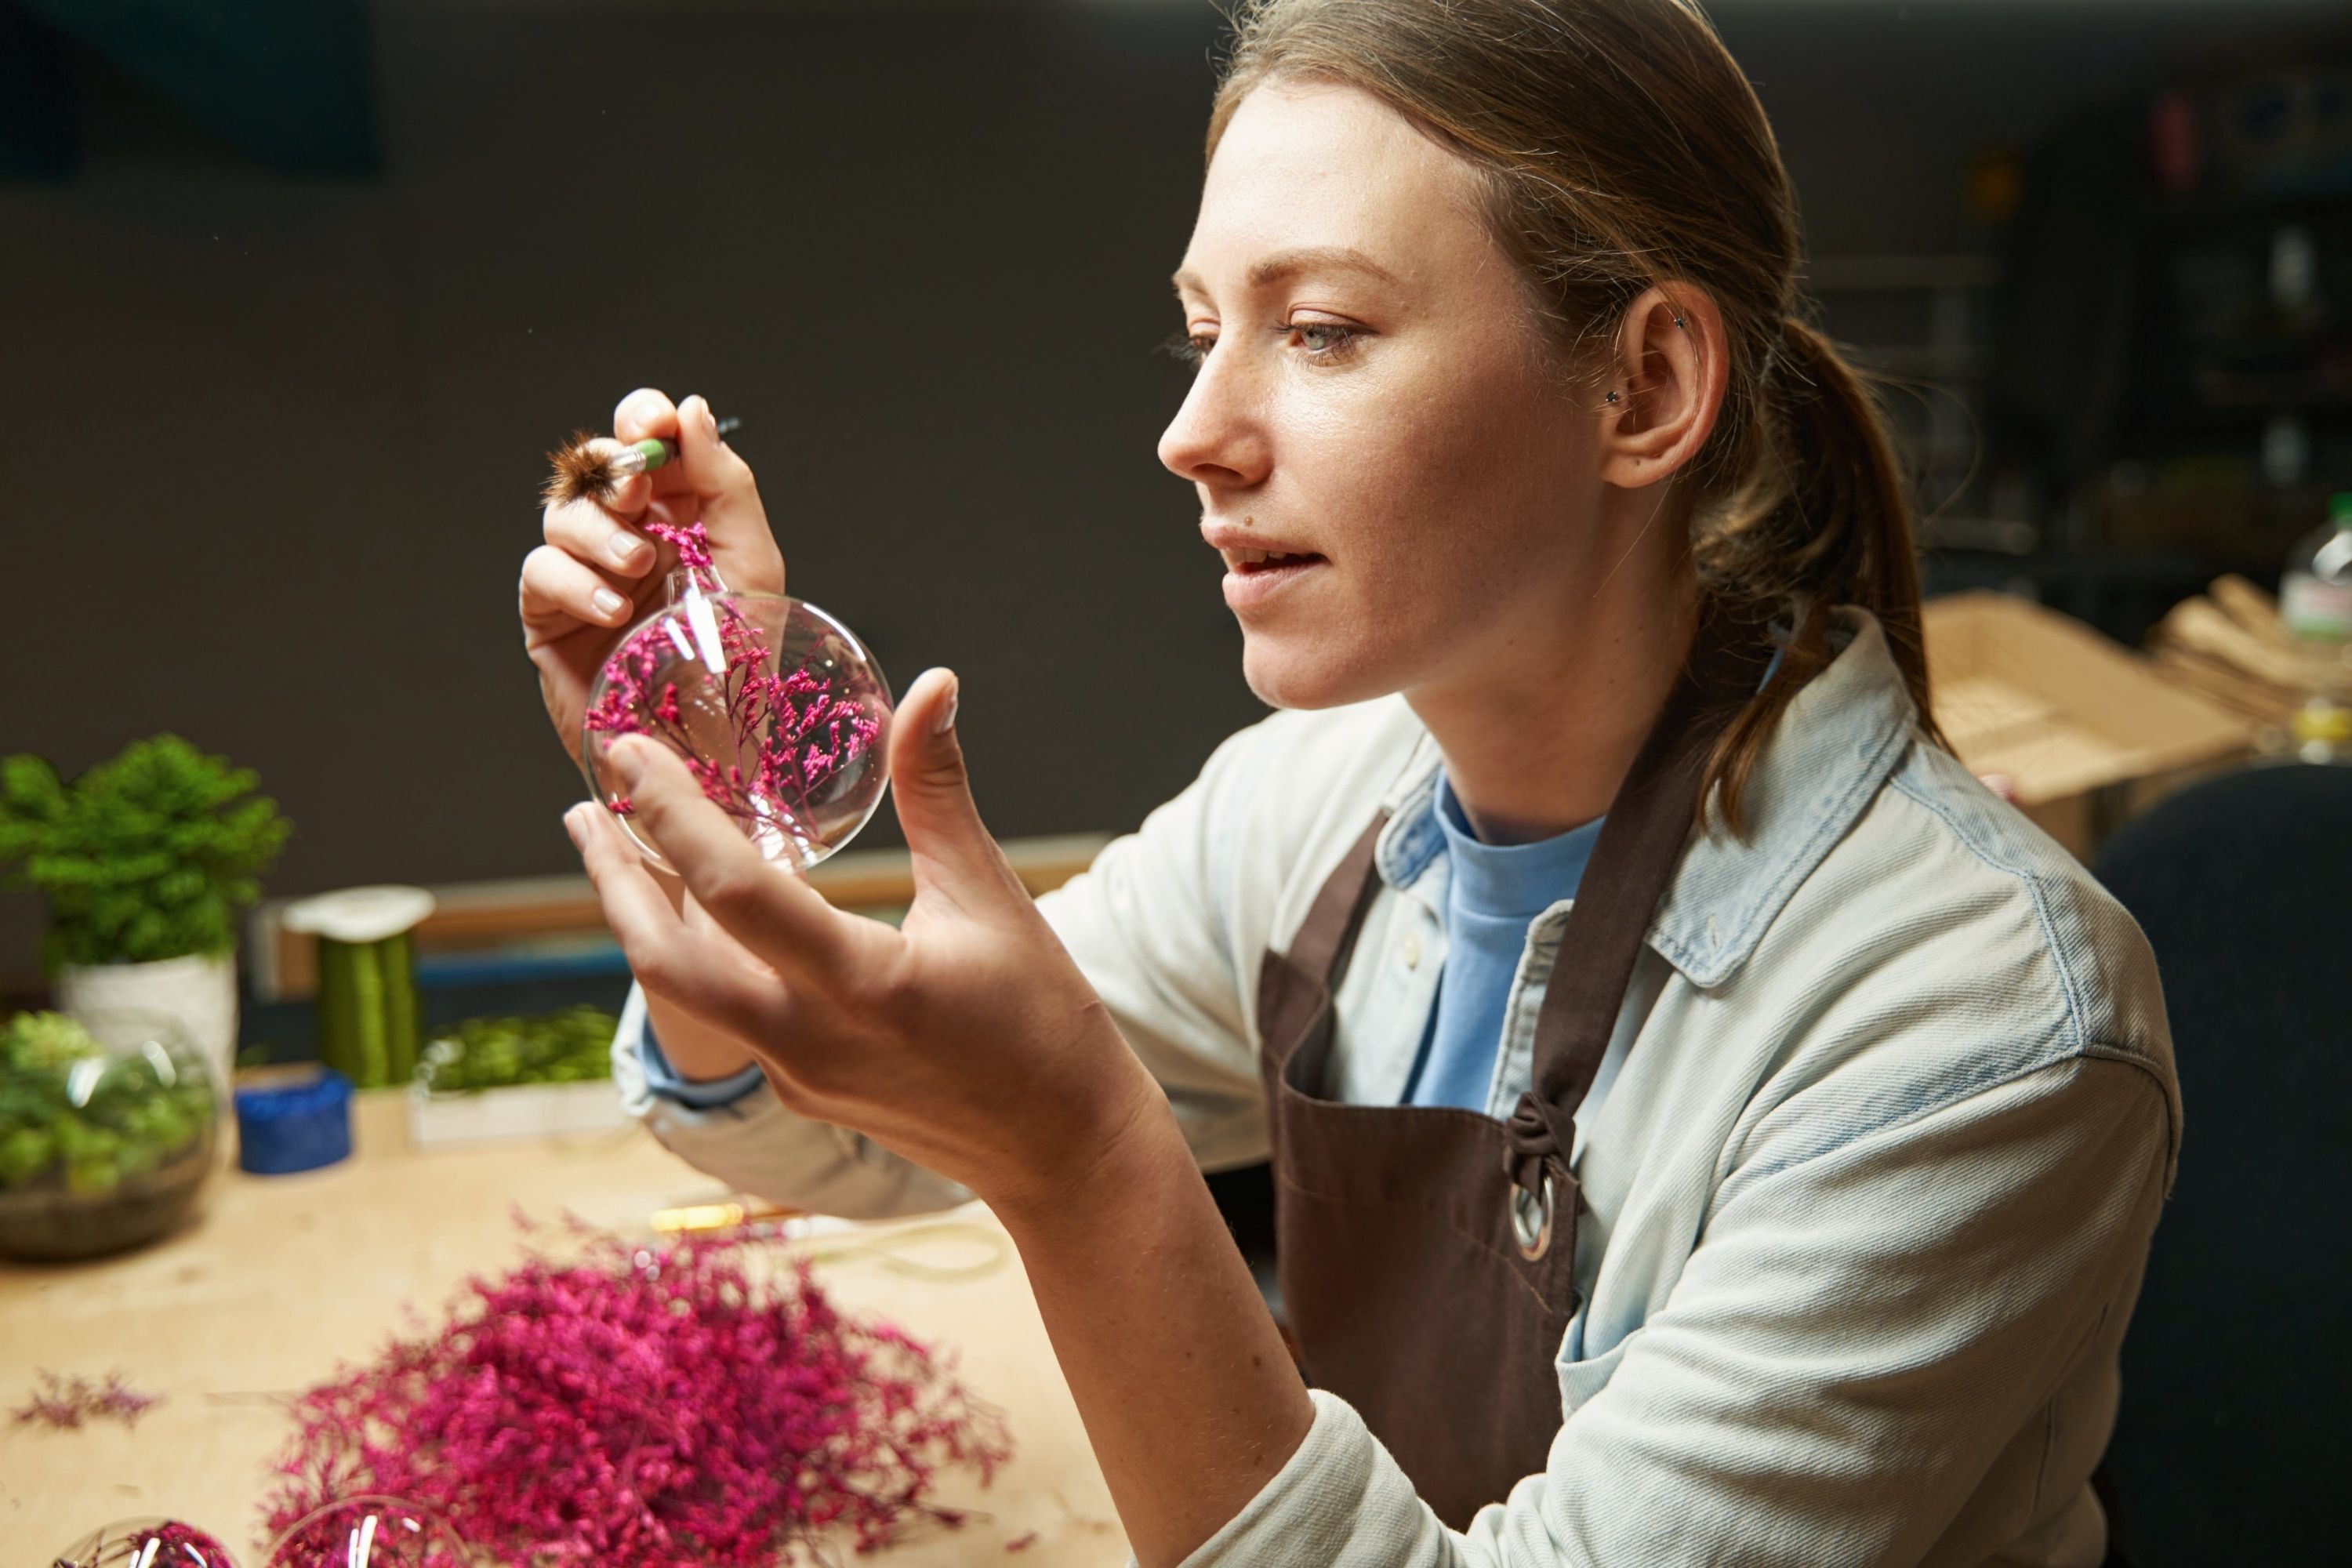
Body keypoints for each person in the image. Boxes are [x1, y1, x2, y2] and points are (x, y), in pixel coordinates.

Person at [517, 2, 2177, 1563]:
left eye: (1321, 332)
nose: (1192, 430)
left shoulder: (1977, 1019)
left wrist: (1088, 1164)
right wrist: (715, 787)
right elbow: (841, 1132)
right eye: (1199, 331)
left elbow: (1032, 1133)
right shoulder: (1309, 814)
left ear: (1648, 386)